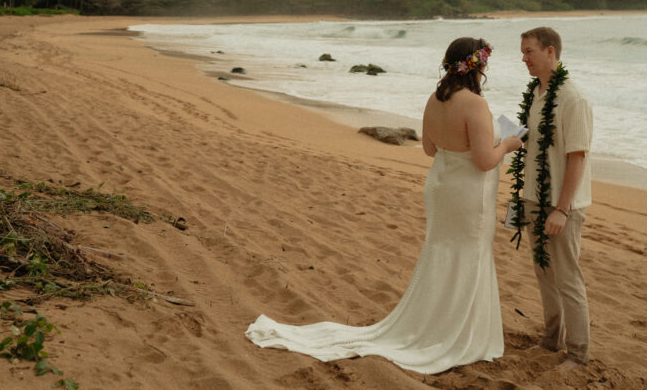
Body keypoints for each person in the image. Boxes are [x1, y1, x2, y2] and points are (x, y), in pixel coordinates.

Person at [245, 37, 522, 373]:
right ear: (475, 66)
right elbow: (484, 160)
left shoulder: (435, 99)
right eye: (483, 65)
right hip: (467, 194)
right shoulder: (475, 104)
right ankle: (457, 331)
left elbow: (430, 149)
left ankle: (435, 321)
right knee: (468, 253)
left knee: (441, 251)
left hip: (441, 186)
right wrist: (508, 143)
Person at [515, 27, 593, 368]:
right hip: (534, 197)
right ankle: (550, 340)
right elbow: (532, 140)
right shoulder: (536, 93)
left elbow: (577, 157)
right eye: (522, 52)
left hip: (563, 204)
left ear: (550, 52)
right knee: (544, 274)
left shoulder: (573, 98)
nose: (524, 59)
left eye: (529, 52)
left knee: (567, 278)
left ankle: (578, 353)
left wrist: (562, 209)